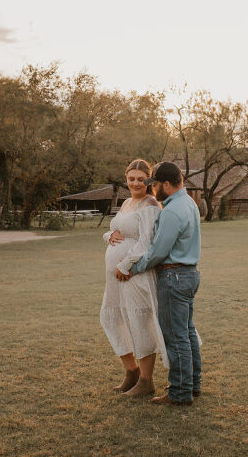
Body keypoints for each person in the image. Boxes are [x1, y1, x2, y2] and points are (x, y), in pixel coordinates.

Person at [117, 161, 202, 406]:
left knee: (176, 337)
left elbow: (158, 251)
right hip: (188, 274)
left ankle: (180, 392)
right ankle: (192, 384)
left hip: (174, 276)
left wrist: (133, 268)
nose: (153, 189)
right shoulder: (188, 203)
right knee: (186, 333)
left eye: (154, 184)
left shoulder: (173, 211)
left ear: (166, 184)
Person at [101, 159, 168, 397]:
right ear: (126, 179)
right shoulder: (126, 202)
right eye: (131, 179)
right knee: (111, 318)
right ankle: (132, 371)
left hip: (134, 273)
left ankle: (146, 381)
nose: (136, 183)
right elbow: (117, 229)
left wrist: (125, 264)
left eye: (141, 179)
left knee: (139, 322)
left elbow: (147, 241)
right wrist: (108, 235)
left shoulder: (150, 204)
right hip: (115, 278)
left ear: (148, 180)